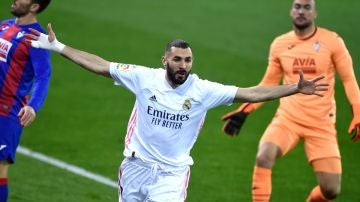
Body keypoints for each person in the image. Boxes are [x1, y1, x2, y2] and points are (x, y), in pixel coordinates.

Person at [27, 24, 328, 202]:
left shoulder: (203, 90)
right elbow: (100, 65)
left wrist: (292, 88)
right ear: (164, 61)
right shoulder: (144, 77)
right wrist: (59, 47)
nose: (183, 65)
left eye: (188, 60)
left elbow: (251, 92)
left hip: (171, 176)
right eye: (178, 60)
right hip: (134, 167)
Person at [221, 0, 360, 201]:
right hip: (288, 119)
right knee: (264, 155)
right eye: (297, 7)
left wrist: (357, 111)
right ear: (291, 11)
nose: (301, 11)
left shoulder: (332, 41)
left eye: (306, 7)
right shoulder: (280, 44)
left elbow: (349, 79)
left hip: (321, 123)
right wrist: (246, 110)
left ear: (315, 13)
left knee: (331, 190)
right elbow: (269, 82)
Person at [0, 0, 52, 201]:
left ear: (34, 6)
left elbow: (43, 76)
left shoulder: (36, 38)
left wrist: (33, 106)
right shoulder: (4, 25)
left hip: (7, 111)